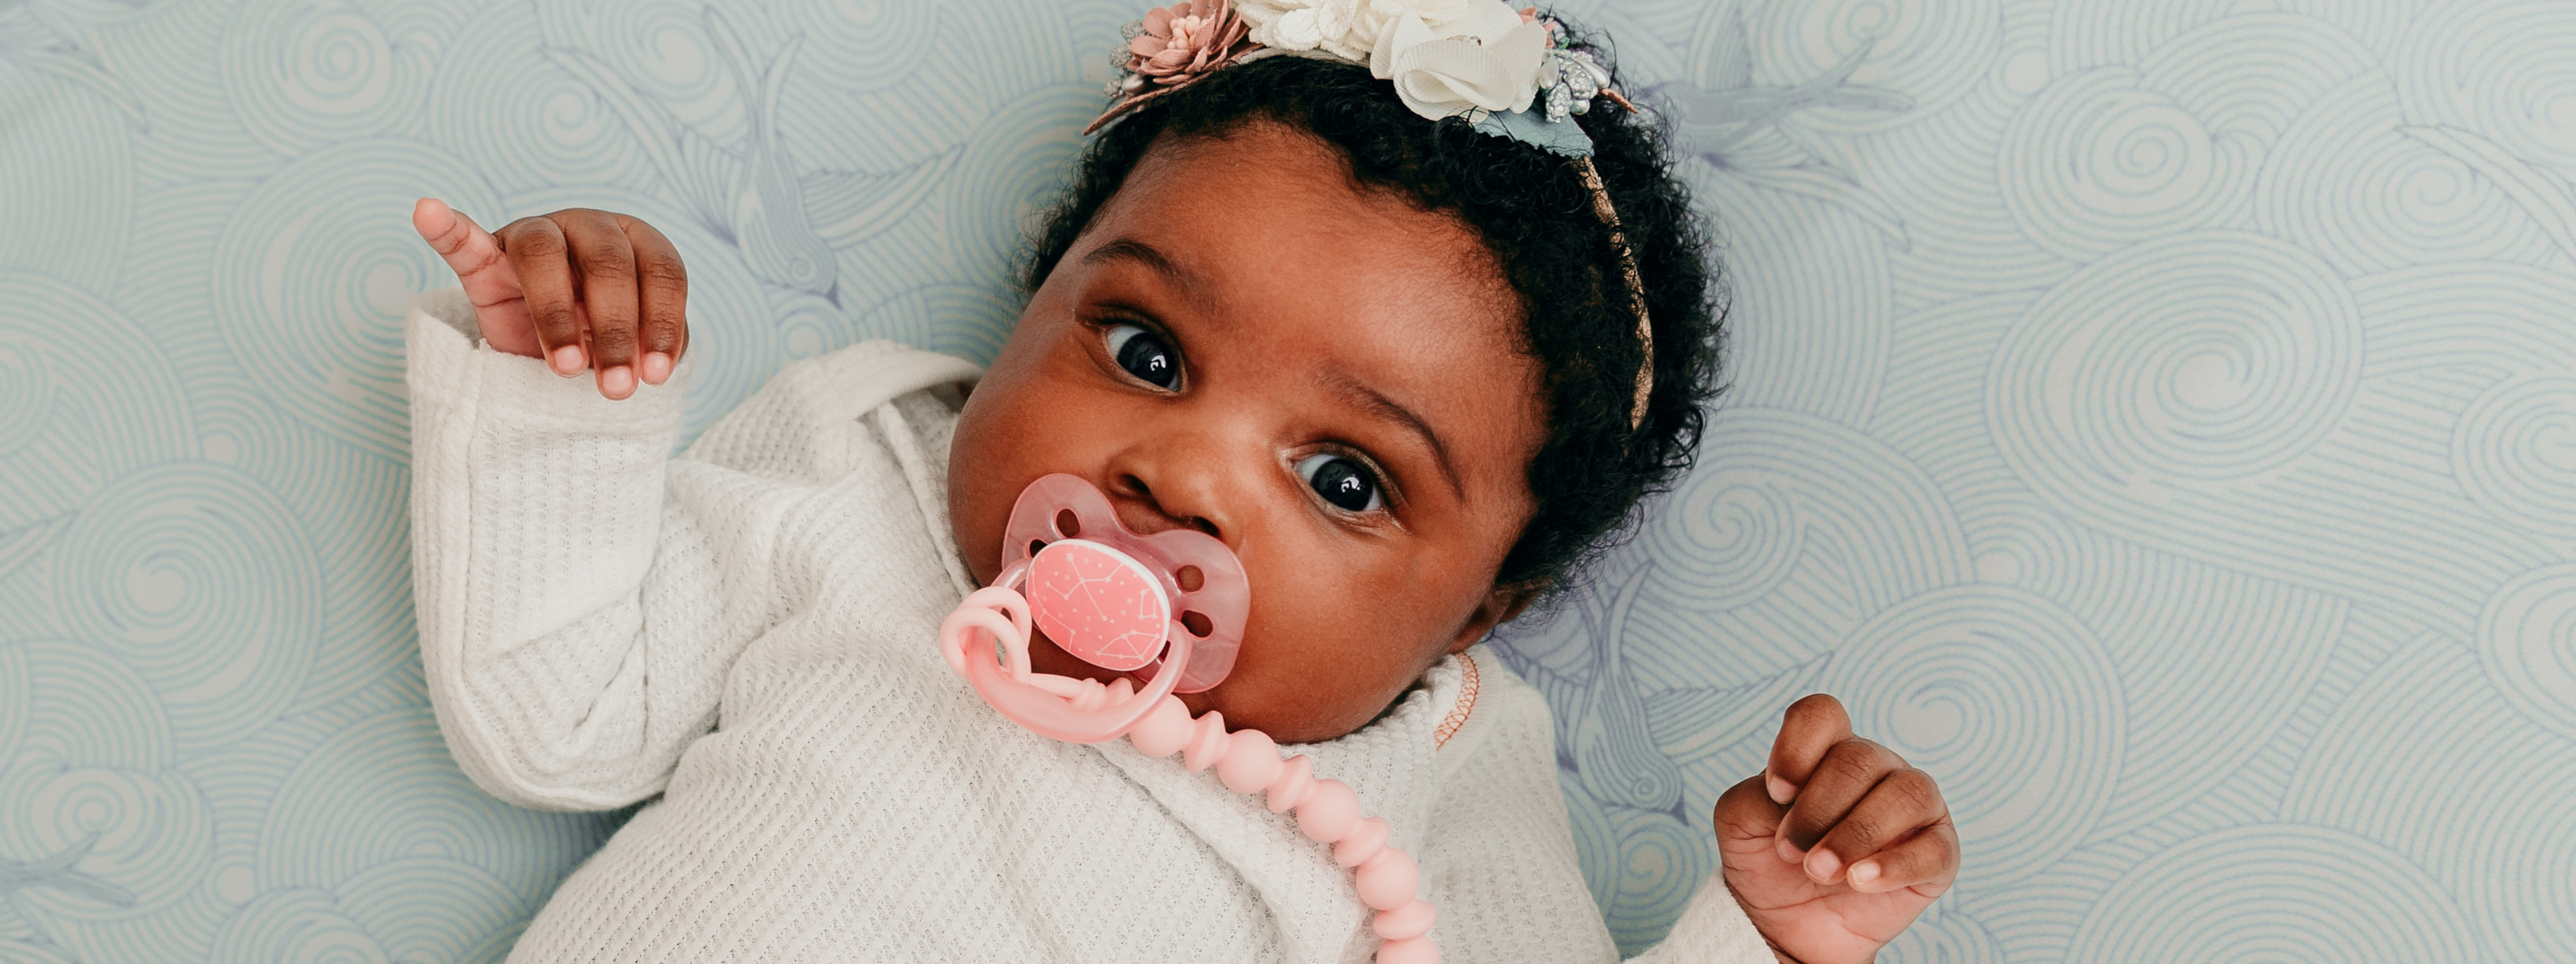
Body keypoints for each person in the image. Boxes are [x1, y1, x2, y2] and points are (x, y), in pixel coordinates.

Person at [403, 3, 1953, 960]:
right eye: (1144, 352)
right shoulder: (862, 467)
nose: (1184, 475)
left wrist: (1764, 940)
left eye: (1346, 479)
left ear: (1488, 608)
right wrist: (563, 401)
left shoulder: (1426, 787)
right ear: (1033, 299)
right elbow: (559, 717)